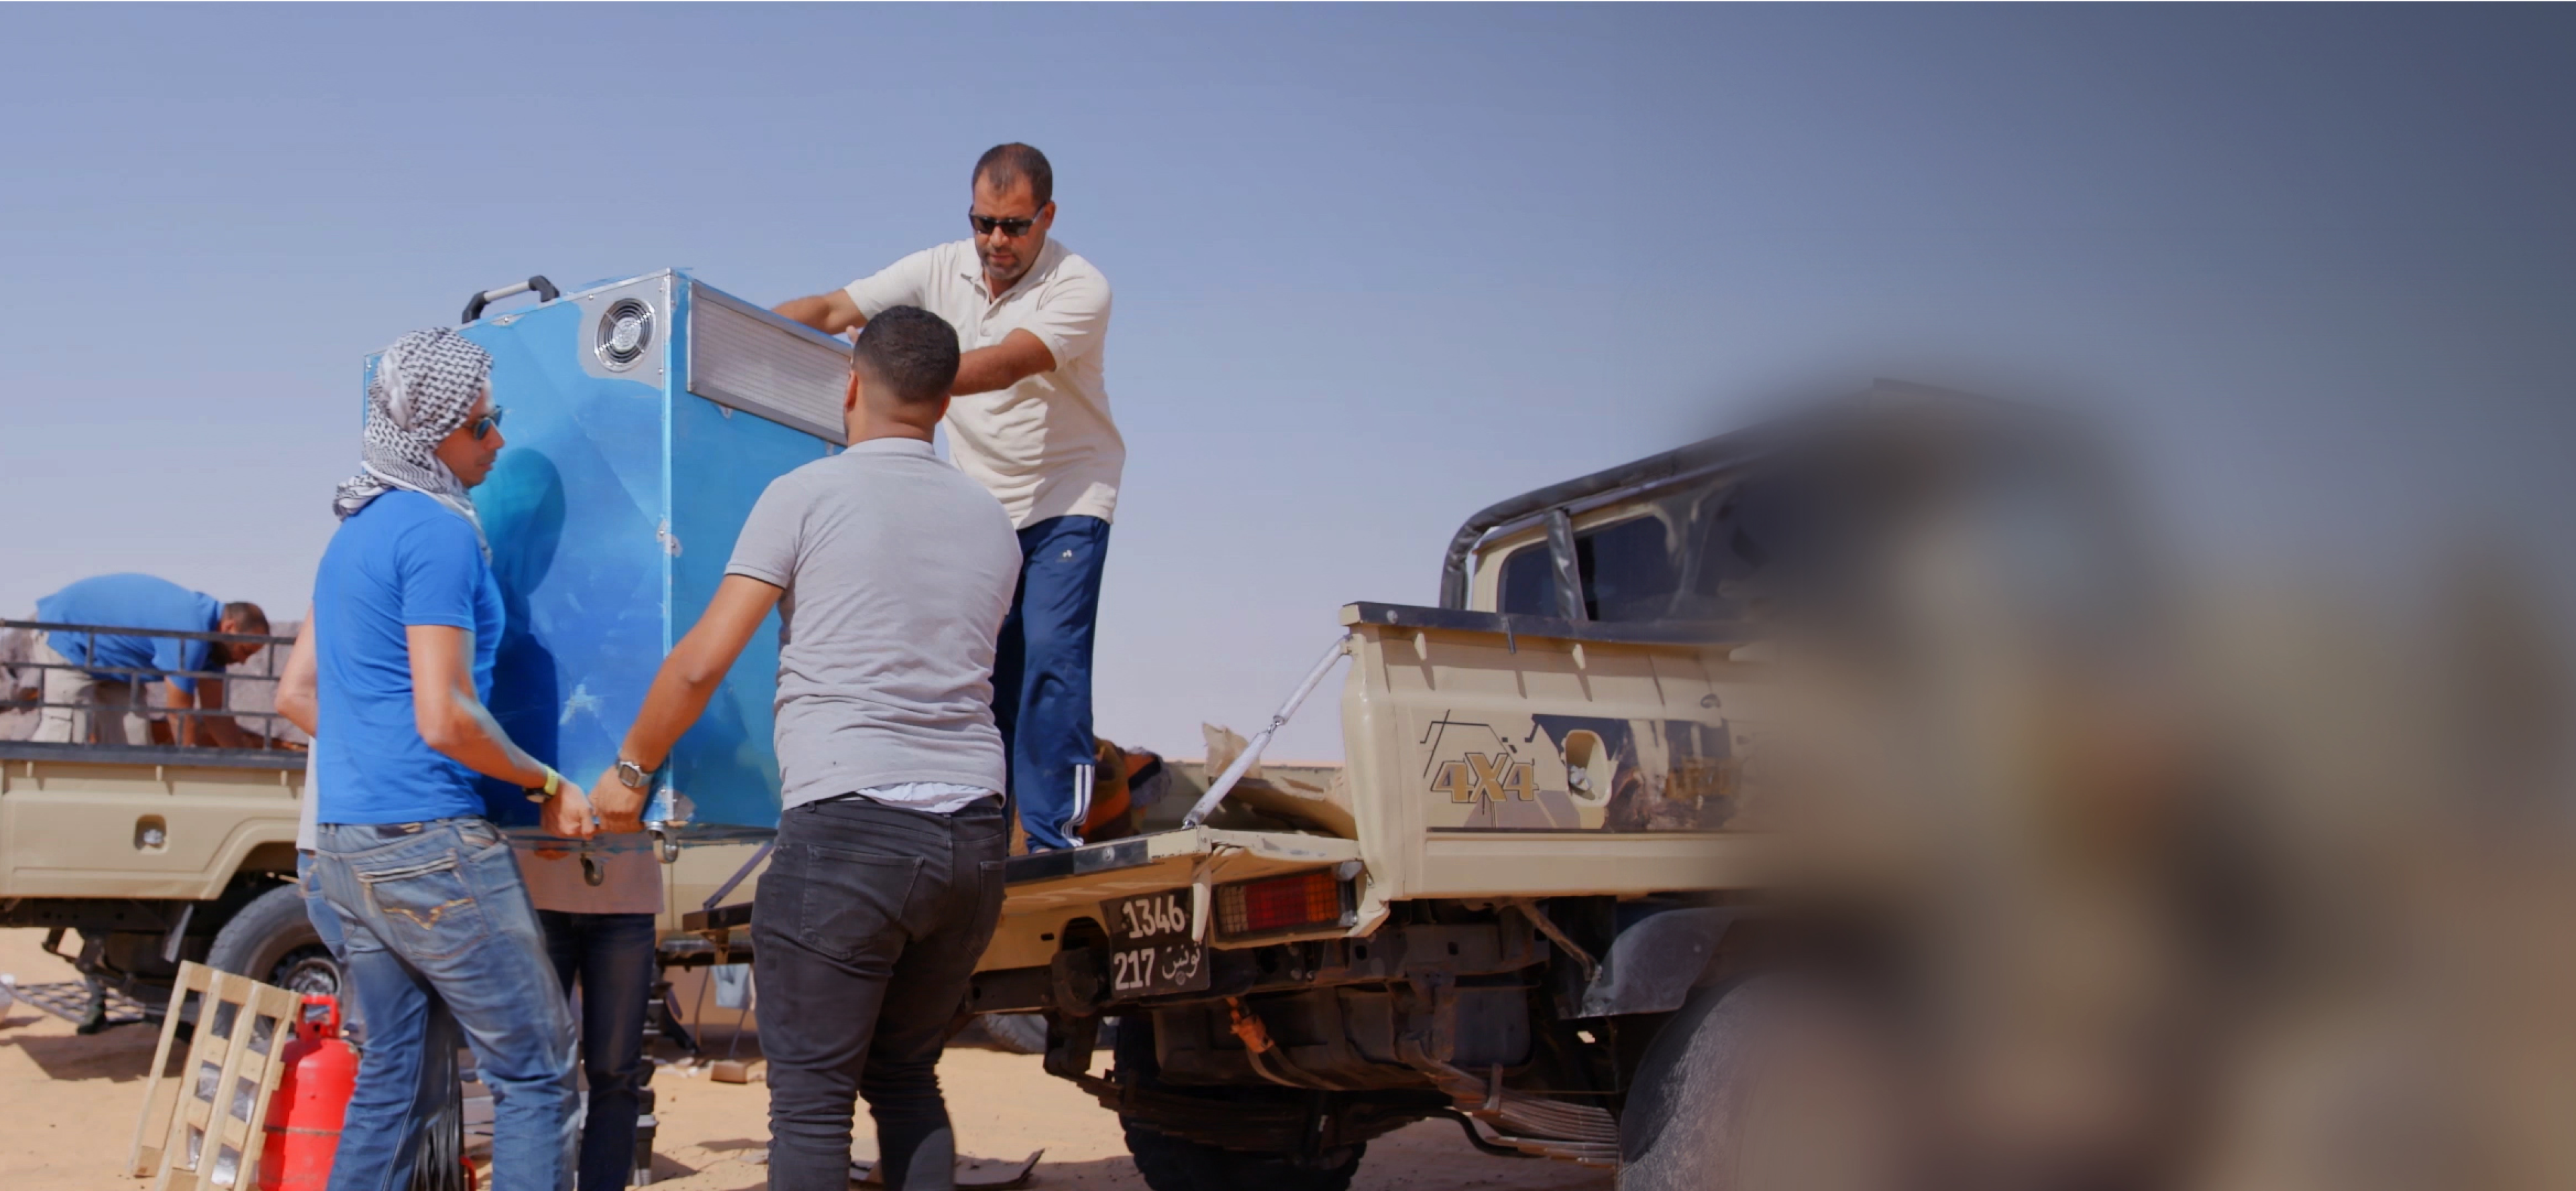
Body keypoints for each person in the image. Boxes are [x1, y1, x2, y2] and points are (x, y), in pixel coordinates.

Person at [587, 307, 1019, 1190]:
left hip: (853, 830)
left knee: (814, 1105)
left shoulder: (805, 494)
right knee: (907, 1080)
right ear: (943, 404)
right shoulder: (992, 522)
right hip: (974, 837)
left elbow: (705, 660)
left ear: (852, 385)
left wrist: (629, 772)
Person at [307, 327, 592, 1191]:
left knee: (394, 1078)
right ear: (432, 432)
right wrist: (547, 781)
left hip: (348, 846)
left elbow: (305, 696)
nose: (498, 440)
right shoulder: (437, 533)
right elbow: (446, 716)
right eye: (483, 424)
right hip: (429, 846)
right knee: (537, 1077)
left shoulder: (351, 530)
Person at [775, 143, 1120, 852]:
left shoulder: (1081, 286)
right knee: (985, 670)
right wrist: (735, 331)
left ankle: (1055, 835)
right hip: (982, 505)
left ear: (1047, 217)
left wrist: (891, 375)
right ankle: (987, 839)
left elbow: (1003, 365)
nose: (996, 241)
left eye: (1015, 226)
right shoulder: (938, 267)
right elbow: (835, 305)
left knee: (1052, 659)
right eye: (983, 222)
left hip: (1067, 495)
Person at [519, 819, 661, 1188]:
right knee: (538, 1071)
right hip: (534, 897)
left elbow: (679, 793)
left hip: (626, 901)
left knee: (616, 1071)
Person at [26, 573, 268, 746]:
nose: (244, 662)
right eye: (245, 651)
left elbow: (214, 712)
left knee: (134, 745)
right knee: (66, 737)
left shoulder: (215, 650)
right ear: (229, 627)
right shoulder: (190, 632)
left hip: (114, 665)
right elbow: (179, 714)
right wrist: (190, 772)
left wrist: (246, 765)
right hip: (68, 637)